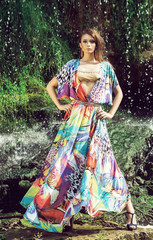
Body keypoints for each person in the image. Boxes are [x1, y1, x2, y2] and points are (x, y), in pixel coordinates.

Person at [20, 28, 137, 233]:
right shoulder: (71, 65)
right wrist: (59, 105)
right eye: (85, 41)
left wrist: (110, 114)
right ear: (80, 44)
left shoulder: (105, 67)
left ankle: (130, 211)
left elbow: (119, 93)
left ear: (96, 44)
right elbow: (51, 86)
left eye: (92, 42)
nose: (89, 45)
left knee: (105, 165)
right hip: (73, 121)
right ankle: (66, 215)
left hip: (95, 121)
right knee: (67, 165)